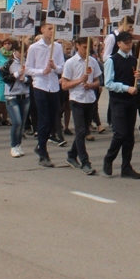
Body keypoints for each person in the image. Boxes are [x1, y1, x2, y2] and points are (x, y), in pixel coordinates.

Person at [103, 31, 140, 178]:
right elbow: (108, 83)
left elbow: (136, 81)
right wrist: (126, 88)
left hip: (131, 101)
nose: (129, 45)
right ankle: (109, 158)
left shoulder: (134, 60)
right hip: (118, 100)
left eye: (130, 42)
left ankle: (126, 166)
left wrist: (138, 79)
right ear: (118, 44)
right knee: (120, 133)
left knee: (129, 136)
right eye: (126, 42)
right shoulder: (112, 60)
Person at [26, 24, 65, 167]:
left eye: (53, 28)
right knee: (43, 118)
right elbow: (28, 69)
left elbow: (62, 66)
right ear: (42, 30)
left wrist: (55, 67)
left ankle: (40, 144)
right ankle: (43, 153)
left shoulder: (57, 47)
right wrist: (42, 71)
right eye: (49, 28)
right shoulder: (34, 48)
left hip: (53, 86)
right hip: (40, 85)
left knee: (54, 117)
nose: (52, 31)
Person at [61, 37, 101, 174]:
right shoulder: (70, 63)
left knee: (83, 131)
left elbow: (97, 82)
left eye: (88, 47)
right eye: (84, 47)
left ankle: (71, 155)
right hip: (76, 99)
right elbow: (64, 85)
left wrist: (91, 85)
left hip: (89, 99)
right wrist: (79, 81)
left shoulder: (93, 61)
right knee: (80, 131)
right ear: (77, 46)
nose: (86, 50)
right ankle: (85, 161)